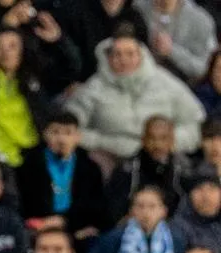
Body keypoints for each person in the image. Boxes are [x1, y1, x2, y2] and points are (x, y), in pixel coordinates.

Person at [66, 29, 205, 160]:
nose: (123, 60)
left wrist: (166, 142)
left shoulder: (167, 83)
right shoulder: (94, 87)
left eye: (130, 54)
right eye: (117, 54)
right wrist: (101, 141)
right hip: (109, 155)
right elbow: (70, 127)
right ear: (108, 58)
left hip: (165, 156)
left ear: (141, 56)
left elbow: (195, 123)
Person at [18, 110, 109, 249]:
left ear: (77, 137)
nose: (61, 139)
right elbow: (23, 204)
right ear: (45, 134)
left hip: (77, 230)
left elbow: (95, 207)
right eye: (55, 132)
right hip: (38, 229)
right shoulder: (29, 165)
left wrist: (65, 222)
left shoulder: (90, 168)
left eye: (68, 133)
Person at [0, 28, 48, 168]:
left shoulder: (36, 80)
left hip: (32, 153)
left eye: (12, 46)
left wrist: (58, 40)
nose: (5, 52)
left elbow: (71, 69)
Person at [106, 116, 190, 221]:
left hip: (174, 226)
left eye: (163, 138)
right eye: (152, 138)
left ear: (172, 140)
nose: (157, 144)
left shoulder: (186, 169)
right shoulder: (126, 169)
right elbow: (115, 207)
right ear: (143, 140)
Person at [133, 0, 215, 84]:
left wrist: (172, 51)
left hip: (181, 85)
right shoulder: (138, 8)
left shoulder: (200, 20)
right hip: (138, 78)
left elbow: (201, 68)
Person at [173, 172, 221, 253]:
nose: (206, 196)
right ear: (189, 196)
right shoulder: (178, 228)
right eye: (199, 189)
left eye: (212, 189)